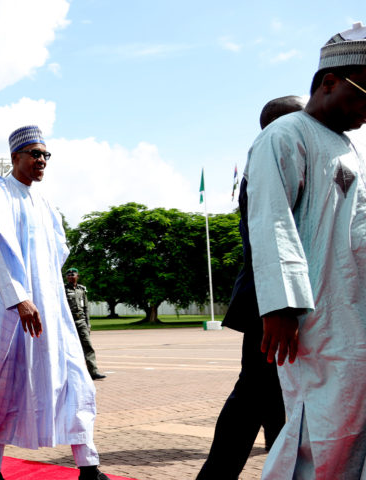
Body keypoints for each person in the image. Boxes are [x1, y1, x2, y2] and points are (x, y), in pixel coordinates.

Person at [245, 23, 366, 478]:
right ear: (329, 82)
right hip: (312, 316)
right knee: (319, 428)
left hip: (352, 310)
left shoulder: (347, 146)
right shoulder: (286, 135)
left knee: (349, 426)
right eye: (364, 96)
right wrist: (281, 305)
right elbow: (271, 221)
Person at [0, 125, 109, 480]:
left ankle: (88, 466)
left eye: (45, 155)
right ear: (15, 158)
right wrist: (20, 298)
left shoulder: (44, 203)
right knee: (5, 383)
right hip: (14, 313)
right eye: (35, 154)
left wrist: (46, 296)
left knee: (73, 378)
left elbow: (54, 257)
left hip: (51, 311)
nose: (42, 161)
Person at [195, 95, 304, 480]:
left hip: (278, 301)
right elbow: (268, 238)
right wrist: (280, 304)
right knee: (255, 396)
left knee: (272, 400)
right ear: (280, 125)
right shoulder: (266, 163)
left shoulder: (285, 161)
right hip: (271, 304)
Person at [64, 268, 104, 380]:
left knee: (88, 346)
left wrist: (88, 324)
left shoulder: (82, 290)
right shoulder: (63, 289)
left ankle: (93, 372)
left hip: (81, 321)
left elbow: (86, 308)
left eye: (73, 274)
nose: (71, 276)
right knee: (69, 348)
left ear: (78, 276)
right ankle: (69, 374)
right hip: (69, 322)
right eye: (69, 275)